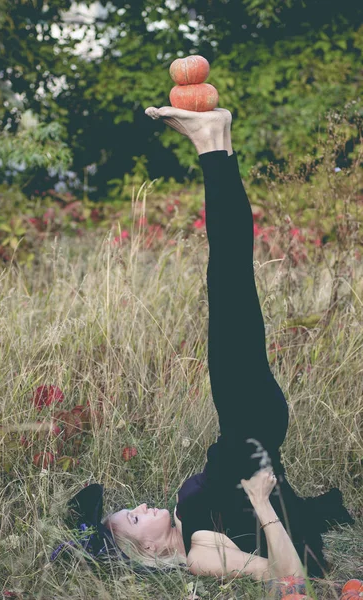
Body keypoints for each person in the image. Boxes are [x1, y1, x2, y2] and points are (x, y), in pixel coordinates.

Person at [62, 105, 354, 581]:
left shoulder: (187, 519)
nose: (139, 505)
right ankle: (212, 145)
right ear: (152, 551)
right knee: (229, 280)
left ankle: (215, 141)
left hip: (244, 425)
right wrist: (262, 505)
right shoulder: (199, 554)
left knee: (230, 279)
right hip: (248, 425)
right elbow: (292, 579)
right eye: (134, 518)